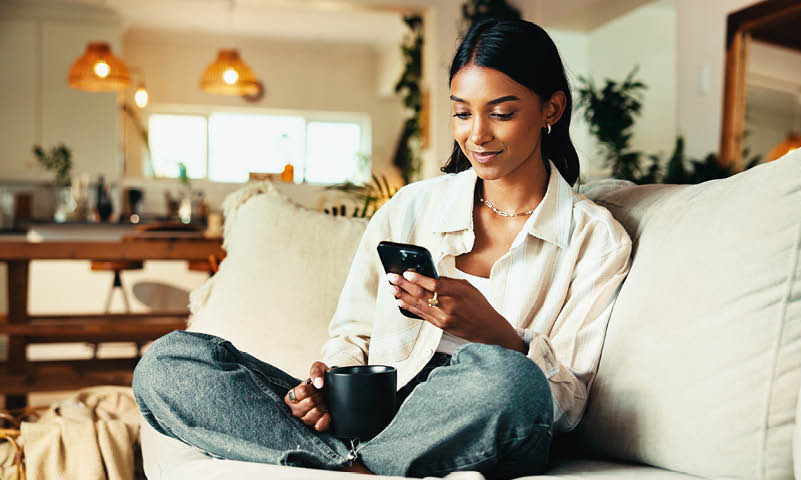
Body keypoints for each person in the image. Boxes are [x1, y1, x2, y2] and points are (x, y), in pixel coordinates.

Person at [133, 18, 631, 479]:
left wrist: (501, 337)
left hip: (486, 413)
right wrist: (330, 388)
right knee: (169, 362)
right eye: (461, 113)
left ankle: (348, 464)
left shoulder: (594, 238)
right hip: (379, 415)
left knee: (507, 378)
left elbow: (567, 402)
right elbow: (352, 333)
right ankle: (358, 466)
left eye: (501, 113)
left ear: (551, 108)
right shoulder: (412, 207)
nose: (476, 135)